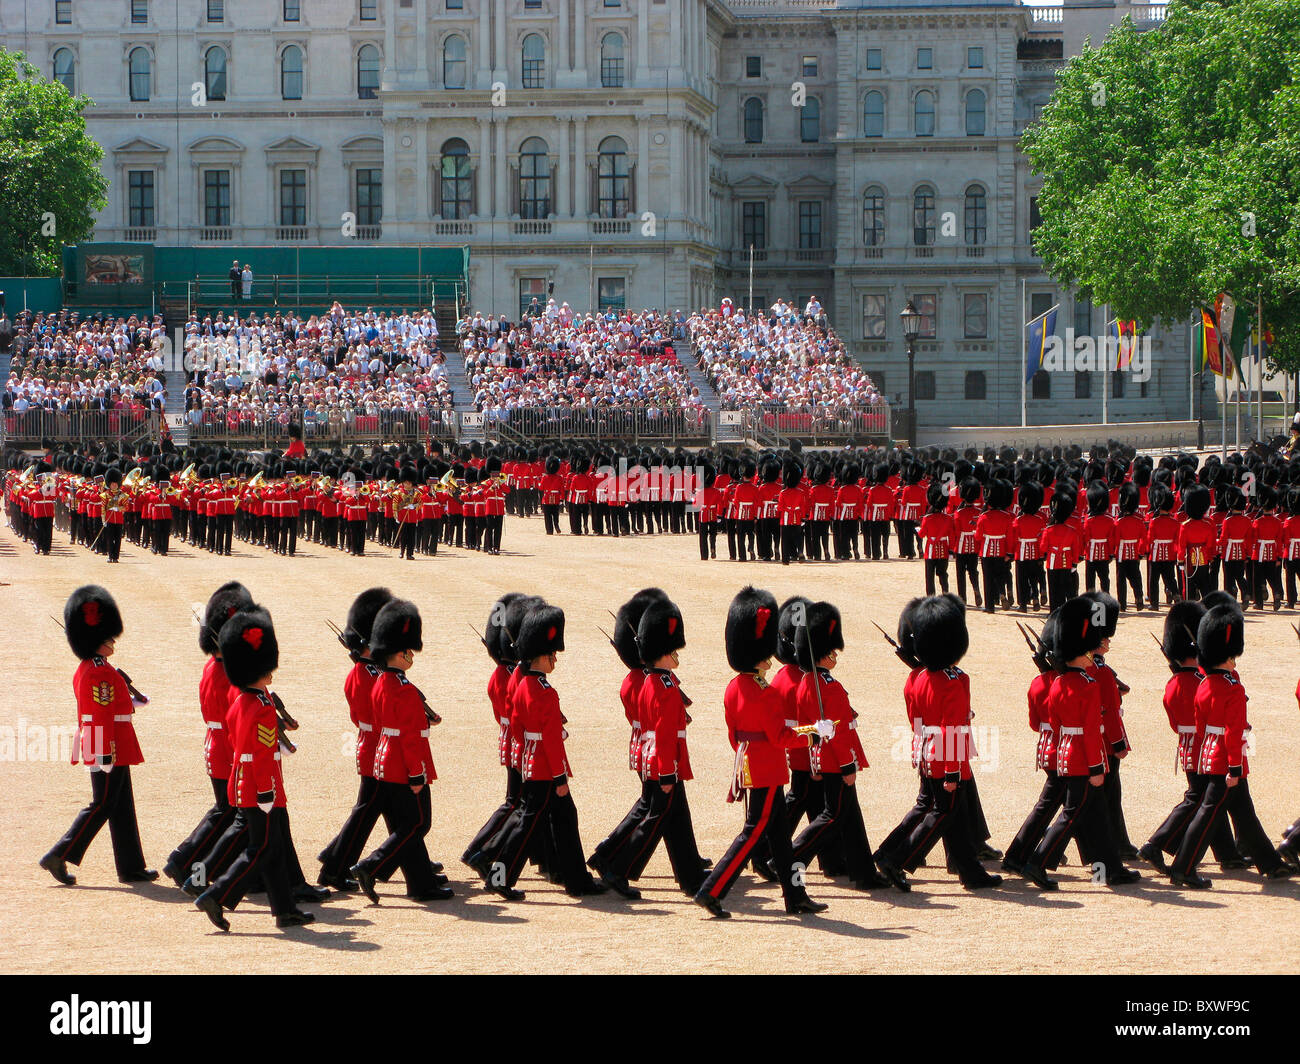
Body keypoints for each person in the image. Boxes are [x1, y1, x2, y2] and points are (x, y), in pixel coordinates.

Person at [694, 586, 831, 918]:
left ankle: (795, 894)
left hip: (749, 763)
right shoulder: (765, 694)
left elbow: (734, 734)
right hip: (768, 767)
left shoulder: (734, 687)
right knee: (754, 832)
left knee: (782, 841)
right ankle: (712, 889)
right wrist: (814, 733)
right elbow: (782, 737)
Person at [474, 602, 608, 901]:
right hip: (546, 768)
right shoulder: (544, 692)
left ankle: (576, 880)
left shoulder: (521, 684)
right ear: (540, 657)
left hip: (530, 760)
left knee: (559, 820)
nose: (554, 660)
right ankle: (501, 875)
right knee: (527, 825)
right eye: (551, 655)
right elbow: (551, 740)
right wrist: (560, 778)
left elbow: (518, 726)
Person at [195, 604, 314, 930]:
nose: (270, 674)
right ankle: (216, 895)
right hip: (260, 785)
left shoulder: (245, 700)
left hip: (248, 780)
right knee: (260, 848)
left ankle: (284, 909)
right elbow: (260, 753)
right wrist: (265, 793)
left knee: (271, 848)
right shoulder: (258, 706)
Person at [874, 595, 1002, 891]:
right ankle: (898, 860)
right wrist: (954, 771)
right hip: (947, 758)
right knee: (942, 813)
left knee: (952, 816)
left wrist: (921, 750)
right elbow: (953, 730)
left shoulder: (918, 677)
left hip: (926, 751)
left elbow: (916, 719)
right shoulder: (953, 682)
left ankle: (970, 871)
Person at [1167, 605, 1297, 887]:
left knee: (1243, 812)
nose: (1234, 663)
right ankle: (1182, 867)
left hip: (1210, 754)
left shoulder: (1204, 684)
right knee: (1207, 814)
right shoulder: (1232, 688)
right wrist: (1235, 768)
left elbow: (1201, 726)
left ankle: (1270, 864)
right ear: (1226, 658)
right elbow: (1233, 731)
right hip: (1228, 760)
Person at [1018, 595, 1141, 890]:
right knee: (1074, 814)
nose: (1102, 646)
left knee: (1095, 814)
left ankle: (1110, 868)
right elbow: (1095, 724)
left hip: (1067, 753)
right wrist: (1102, 760)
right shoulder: (1088, 682)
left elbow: (1051, 724)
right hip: (1088, 757)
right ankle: (1038, 860)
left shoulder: (1058, 681)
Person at [41, 586, 156, 887]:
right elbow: (97, 715)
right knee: (103, 803)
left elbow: (110, 706)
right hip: (106, 743)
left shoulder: (99, 667)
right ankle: (59, 853)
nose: (112, 640)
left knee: (121, 803)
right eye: (106, 637)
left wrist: (131, 702)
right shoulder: (96, 672)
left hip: (112, 739)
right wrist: (104, 751)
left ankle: (131, 866)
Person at [596, 596, 707, 899]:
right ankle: (618, 868)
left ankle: (690, 875)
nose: (675, 655)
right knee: (655, 819)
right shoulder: (665, 688)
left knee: (676, 818)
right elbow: (666, 732)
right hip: (663, 762)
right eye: (672, 651)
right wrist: (669, 772)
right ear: (661, 653)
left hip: (655, 758)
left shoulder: (651, 682)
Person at [351, 600, 454, 903]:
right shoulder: (404, 688)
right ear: (399, 653)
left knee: (405, 825)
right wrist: (417, 773)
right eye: (408, 651)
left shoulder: (382, 681)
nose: (411, 656)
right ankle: (371, 866)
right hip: (404, 762)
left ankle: (421, 884)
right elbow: (410, 737)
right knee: (418, 823)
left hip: (386, 757)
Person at [782, 602, 890, 890]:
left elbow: (818, 730)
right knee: (834, 815)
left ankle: (865, 874)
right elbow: (836, 733)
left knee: (851, 818)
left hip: (823, 758)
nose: (835, 656)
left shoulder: (808, 682)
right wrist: (846, 764)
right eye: (831, 651)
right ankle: (789, 858)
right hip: (835, 760)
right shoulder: (826, 686)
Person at [1139, 601, 1245, 873]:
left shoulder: (1173, 684)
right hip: (1206, 748)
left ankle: (1227, 853)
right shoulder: (1202, 682)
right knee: (1199, 798)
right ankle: (1156, 843)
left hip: (1187, 747)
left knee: (1208, 800)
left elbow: (1176, 724)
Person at [163, 581, 252, 889]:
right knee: (228, 813)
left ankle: (193, 865)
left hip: (218, 743)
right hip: (227, 747)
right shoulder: (225, 671)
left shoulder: (215, 666)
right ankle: (186, 864)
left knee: (226, 814)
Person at [316, 587, 396, 890]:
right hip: (376, 745)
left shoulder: (370, 671)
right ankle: (334, 870)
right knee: (368, 812)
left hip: (376, 744)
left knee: (389, 810)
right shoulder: (366, 675)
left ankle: (335, 857)